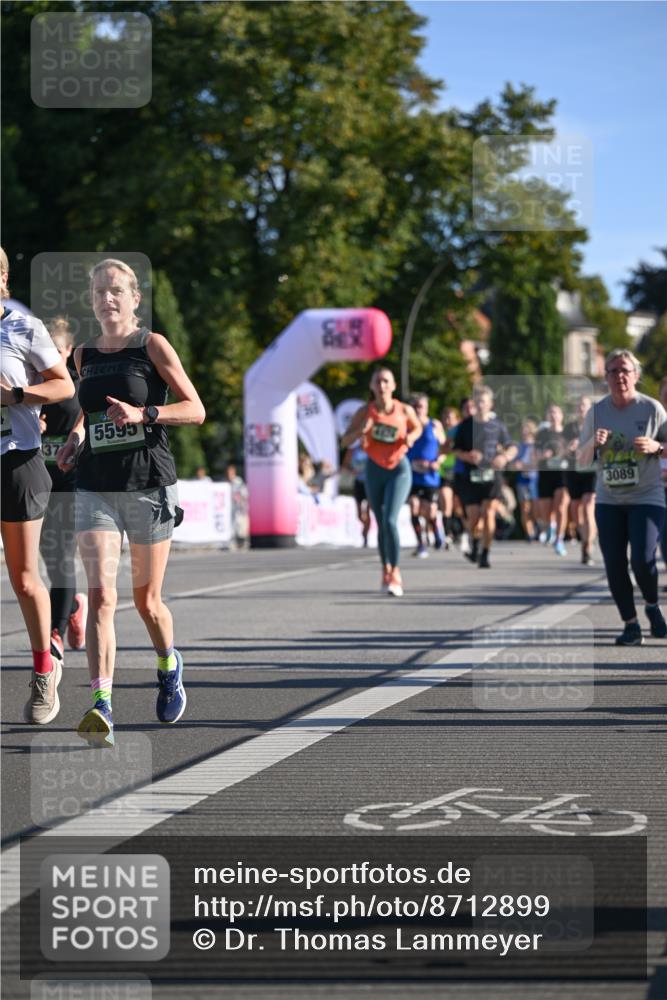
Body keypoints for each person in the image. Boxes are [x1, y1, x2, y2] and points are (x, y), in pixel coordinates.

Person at [56, 259, 205, 745]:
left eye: (116, 290)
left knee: (147, 602)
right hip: (95, 485)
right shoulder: (83, 353)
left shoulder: (152, 345)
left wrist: (145, 414)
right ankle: (101, 703)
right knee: (102, 595)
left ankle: (168, 664)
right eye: (99, 291)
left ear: (134, 298)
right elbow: (89, 412)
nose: (107, 298)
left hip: (148, 484)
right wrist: (75, 438)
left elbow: (196, 409)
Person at [0, 247, 75, 724]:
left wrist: (15, 395)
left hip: (16, 459)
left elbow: (64, 385)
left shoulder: (22, 327)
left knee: (25, 579)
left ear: (2, 280)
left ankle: (45, 669)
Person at [578, 349, 667, 645]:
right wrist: (592, 444)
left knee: (642, 559)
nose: (620, 376)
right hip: (609, 500)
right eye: (613, 371)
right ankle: (631, 625)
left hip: (647, 497)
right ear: (606, 377)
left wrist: (657, 447)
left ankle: (652, 605)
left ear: (636, 375)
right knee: (614, 564)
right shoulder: (597, 412)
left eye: (625, 370)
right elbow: (580, 459)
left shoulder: (652, 409)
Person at [341, 368, 421, 596]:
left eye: (386, 381)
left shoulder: (404, 410)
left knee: (390, 520)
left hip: (398, 469)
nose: (382, 385)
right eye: (378, 381)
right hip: (374, 469)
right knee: (380, 522)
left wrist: (410, 437)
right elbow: (345, 441)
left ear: (393, 386)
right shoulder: (365, 412)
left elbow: (418, 428)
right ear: (372, 386)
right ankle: (385, 569)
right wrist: (360, 431)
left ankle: (395, 572)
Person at [39, 318, 88, 657]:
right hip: (38, 478)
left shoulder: (79, 385)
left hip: (71, 477)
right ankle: (72, 606)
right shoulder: (30, 383)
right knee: (48, 556)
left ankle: (54, 634)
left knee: (62, 555)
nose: (50, 357)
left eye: (56, 351)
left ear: (69, 351)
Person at [453, 385, 517, 569]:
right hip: (471, 477)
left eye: (483, 401)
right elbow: (456, 450)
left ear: (490, 404)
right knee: (473, 517)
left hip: (491, 476)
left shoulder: (498, 426)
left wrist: (504, 457)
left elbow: (512, 447)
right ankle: (475, 545)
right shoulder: (465, 426)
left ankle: (485, 554)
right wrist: (467, 456)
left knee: (488, 513)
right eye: (477, 402)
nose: (479, 405)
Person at [407, 393, 445, 557]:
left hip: (430, 476)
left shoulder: (434, 425)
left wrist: (438, 462)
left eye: (421, 406)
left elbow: (445, 448)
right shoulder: (407, 425)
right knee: (414, 507)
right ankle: (420, 543)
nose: (418, 410)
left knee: (430, 511)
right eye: (415, 406)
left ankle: (436, 530)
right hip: (412, 475)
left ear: (427, 408)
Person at [564, 395, 597, 565]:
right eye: (579, 405)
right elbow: (561, 450)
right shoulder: (569, 427)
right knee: (576, 509)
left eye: (584, 405)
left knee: (588, 507)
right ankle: (584, 536)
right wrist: (569, 447)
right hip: (574, 471)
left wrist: (588, 445)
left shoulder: (596, 425)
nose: (581, 408)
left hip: (592, 471)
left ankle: (588, 546)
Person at [535, 404, 570, 556]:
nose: (554, 416)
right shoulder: (542, 434)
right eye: (551, 413)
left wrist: (569, 451)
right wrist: (543, 455)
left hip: (563, 473)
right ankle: (551, 527)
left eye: (556, 413)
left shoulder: (568, 433)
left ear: (561, 416)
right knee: (546, 510)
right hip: (545, 473)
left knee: (561, 506)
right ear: (547, 417)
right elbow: (534, 455)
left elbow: (577, 452)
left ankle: (559, 539)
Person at [512, 418, 539, 541]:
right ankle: (530, 534)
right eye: (523, 428)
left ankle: (540, 529)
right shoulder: (517, 446)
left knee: (536, 508)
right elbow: (512, 464)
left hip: (535, 480)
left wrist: (525, 465)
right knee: (525, 508)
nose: (524, 431)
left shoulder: (537, 445)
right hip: (522, 480)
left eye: (527, 428)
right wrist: (515, 466)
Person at [438, 406, 461, 547]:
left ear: (457, 420)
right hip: (444, 472)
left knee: (457, 505)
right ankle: (447, 534)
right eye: (445, 418)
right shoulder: (440, 433)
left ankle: (461, 531)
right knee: (446, 501)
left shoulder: (461, 433)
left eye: (450, 418)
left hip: (459, 472)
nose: (447, 421)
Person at [342, 440, 370, 546]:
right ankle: (365, 526)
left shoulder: (372, 449)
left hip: (370, 483)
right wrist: (352, 470)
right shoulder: (353, 450)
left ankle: (365, 535)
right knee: (359, 514)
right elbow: (345, 465)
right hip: (358, 482)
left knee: (368, 511)